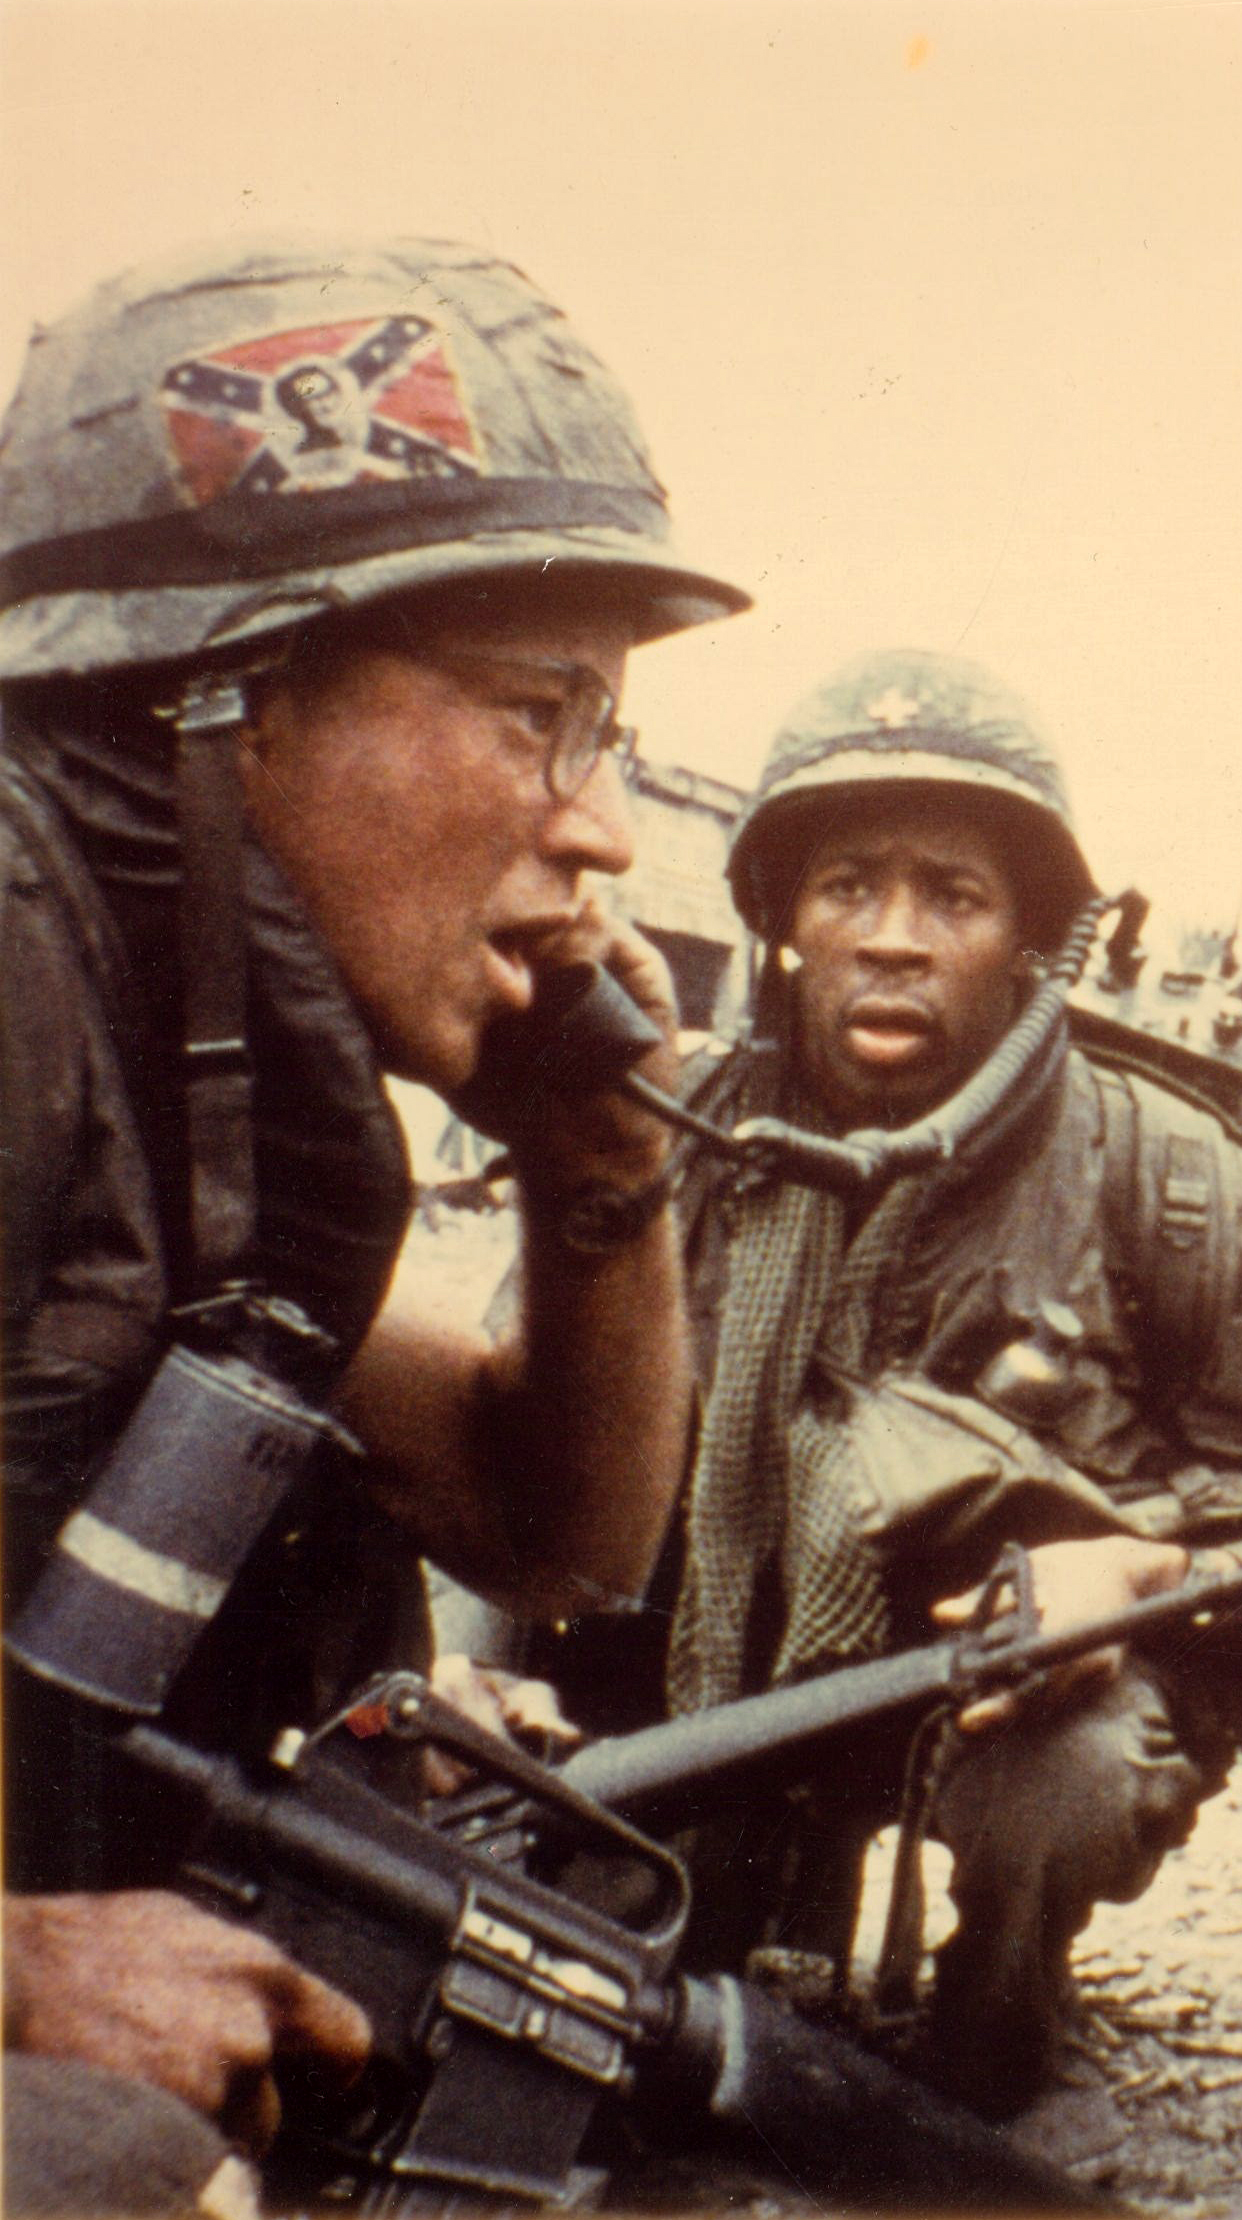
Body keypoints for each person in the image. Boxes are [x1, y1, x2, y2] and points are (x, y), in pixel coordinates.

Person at [0, 236, 742, 2207]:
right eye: (538, 714)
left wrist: (601, 1166)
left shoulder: (196, 1063)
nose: (599, 828)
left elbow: (551, 1536)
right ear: (227, 696)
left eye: (610, 738)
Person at [638, 649, 1242, 2120]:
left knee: (1063, 1782)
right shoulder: (678, 1142)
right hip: (702, 1643)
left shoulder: (1159, 1170)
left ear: (1027, 940)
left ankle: (1006, 1983)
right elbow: (508, 1447)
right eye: (845, 888)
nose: (892, 940)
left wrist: (1148, 1582)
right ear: (780, 926)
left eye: (952, 895)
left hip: (1012, 1688)